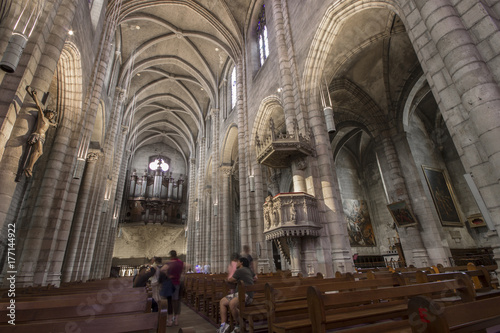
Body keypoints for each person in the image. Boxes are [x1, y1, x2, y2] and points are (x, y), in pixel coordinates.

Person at [24, 86, 57, 178]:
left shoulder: (48, 122)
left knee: (39, 152)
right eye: (50, 113)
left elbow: (51, 124)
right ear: (47, 113)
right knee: (39, 151)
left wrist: (55, 125)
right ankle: (29, 167)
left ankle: (30, 166)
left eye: (52, 115)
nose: (51, 115)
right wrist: (34, 96)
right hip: (37, 135)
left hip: (42, 137)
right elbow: (39, 106)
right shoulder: (42, 117)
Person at [218, 257, 254, 333]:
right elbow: (255, 278)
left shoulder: (240, 270)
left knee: (232, 304)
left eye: (238, 262)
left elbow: (231, 279)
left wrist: (228, 279)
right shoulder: (250, 270)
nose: (236, 263)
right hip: (241, 294)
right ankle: (223, 325)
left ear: (241, 263)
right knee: (223, 301)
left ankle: (238, 325)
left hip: (245, 294)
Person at [161, 250, 184, 326]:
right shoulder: (180, 262)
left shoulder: (169, 263)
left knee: (170, 302)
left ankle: (170, 320)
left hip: (170, 284)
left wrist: (167, 274)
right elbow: (187, 266)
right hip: (177, 283)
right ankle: (176, 320)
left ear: (171, 255)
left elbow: (162, 269)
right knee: (176, 301)